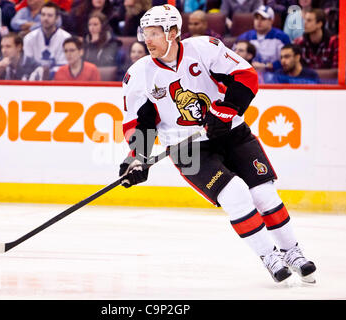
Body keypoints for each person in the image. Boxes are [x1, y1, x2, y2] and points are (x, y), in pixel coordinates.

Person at [119, 4, 317, 284]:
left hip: (232, 133)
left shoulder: (204, 48)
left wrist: (225, 111)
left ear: (173, 32)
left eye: (154, 33)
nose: (146, 40)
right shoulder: (138, 75)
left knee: (264, 195)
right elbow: (138, 124)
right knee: (235, 194)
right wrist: (136, 158)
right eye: (144, 33)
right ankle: (269, 256)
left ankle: (292, 251)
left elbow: (246, 77)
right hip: (187, 150)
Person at [237, 5, 290, 74]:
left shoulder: (281, 37)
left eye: (263, 19)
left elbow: (289, 59)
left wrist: (268, 66)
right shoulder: (244, 37)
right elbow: (234, 57)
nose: (259, 21)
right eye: (256, 18)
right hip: (249, 74)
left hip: (276, 75)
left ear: (271, 20)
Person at [23, 2, 71, 77]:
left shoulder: (67, 38)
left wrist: (49, 73)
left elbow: (65, 66)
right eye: (43, 15)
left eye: (50, 15)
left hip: (58, 81)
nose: (46, 18)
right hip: (34, 80)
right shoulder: (29, 38)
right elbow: (27, 66)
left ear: (57, 18)